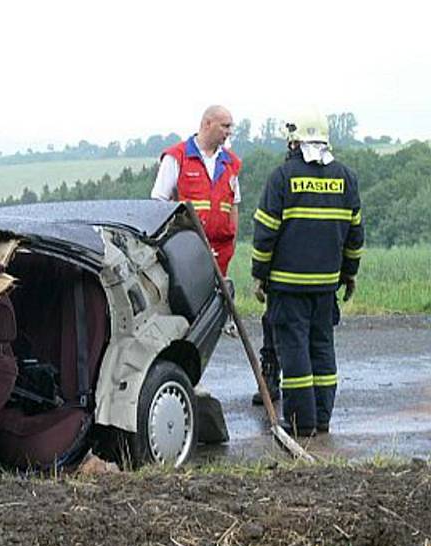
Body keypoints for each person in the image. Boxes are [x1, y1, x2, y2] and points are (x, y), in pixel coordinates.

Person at [251, 111, 364, 437]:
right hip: (327, 286)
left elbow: (265, 233)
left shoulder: (282, 177)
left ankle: (302, 423)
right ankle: (323, 418)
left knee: (295, 351)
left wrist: (259, 274)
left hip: (287, 287)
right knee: (322, 348)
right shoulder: (346, 178)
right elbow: (355, 235)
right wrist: (349, 273)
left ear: (295, 141)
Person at [151, 105, 242, 276]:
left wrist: (232, 245)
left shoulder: (231, 162)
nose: (229, 132)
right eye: (225, 126)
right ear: (207, 123)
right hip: (186, 248)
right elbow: (159, 204)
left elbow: (233, 207)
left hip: (221, 251)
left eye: (230, 127)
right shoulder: (177, 157)